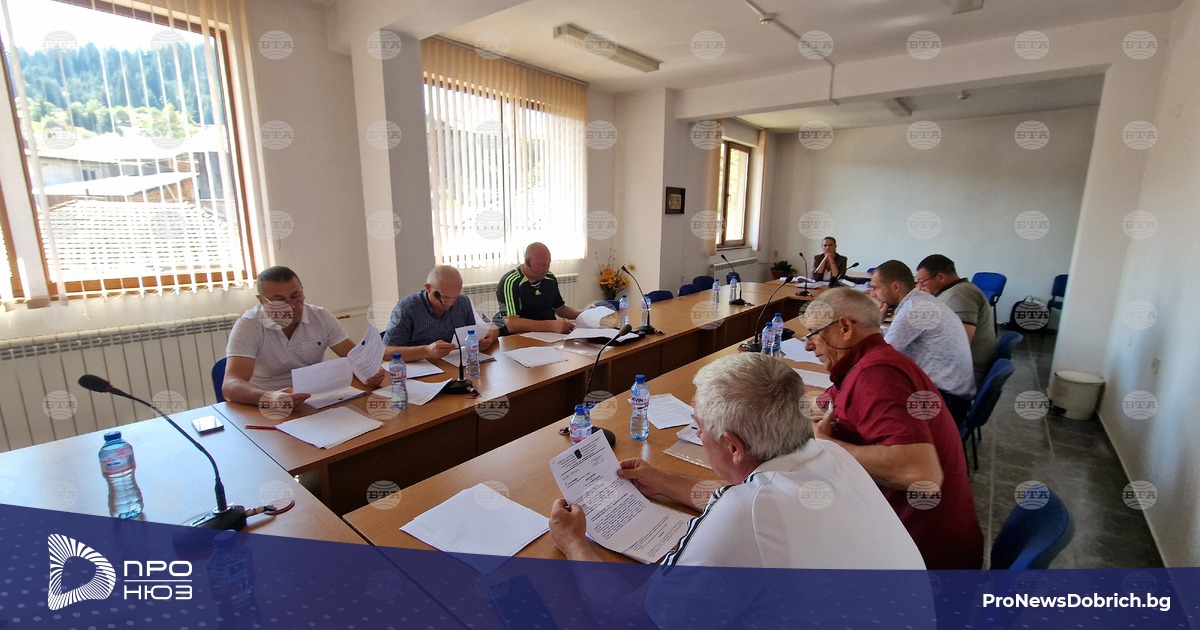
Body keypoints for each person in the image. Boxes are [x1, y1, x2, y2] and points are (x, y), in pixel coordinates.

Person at [548, 352, 925, 570]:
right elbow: (748, 497)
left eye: (699, 428)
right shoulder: (833, 454)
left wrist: (574, 543)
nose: (698, 436)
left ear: (733, 447)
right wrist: (664, 482)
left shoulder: (746, 512)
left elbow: (632, 618)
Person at [803, 288, 983, 570]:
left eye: (813, 334)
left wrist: (829, 445)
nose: (808, 346)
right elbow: (823, 404)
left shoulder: (876, 375)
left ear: (845, 328)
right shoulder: (871, 360)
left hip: (922, 559)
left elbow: (921, 474)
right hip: (916, 538)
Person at [223, 266, 384, 406]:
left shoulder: (320, 317)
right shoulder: (249, 325)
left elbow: (355, 357)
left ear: (303, 291)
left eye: (296, 296)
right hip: (269, 403)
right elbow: (230, 385)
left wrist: (371, 372)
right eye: (279, 301)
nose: (291, 306)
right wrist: (269, 397)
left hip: (314, 398)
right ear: (262, 301)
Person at [871, 259, 976, 424]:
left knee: (870, 399)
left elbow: (879, 357)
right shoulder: (921, 300)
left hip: (946, 401)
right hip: (951, 392)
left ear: (895, 287)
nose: (872, 294)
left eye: (875, 288)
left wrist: (874, 323)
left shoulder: (914, 310)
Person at [383, 265, 497, 361]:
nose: (450, 303)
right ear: (428, 288)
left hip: (454, 365)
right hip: (420, 368)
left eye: (455, 297)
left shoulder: (463, 302)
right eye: (444, 298)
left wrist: (488, 338)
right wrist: (426, 351)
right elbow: (386, 352)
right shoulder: (407, 307)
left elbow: (493, 327)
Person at [916, 254, 998, 386]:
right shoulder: (954, 290)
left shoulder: (960, 295)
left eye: (922, 281)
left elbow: (959, 346)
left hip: (966, 374)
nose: (919, 287)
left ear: (940, 277)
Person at [494, 242, 583, 335]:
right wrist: (551, 325)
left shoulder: (549, 278)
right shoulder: (511, 281)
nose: (546, 269)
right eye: (542, 265)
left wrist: (585, 314)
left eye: (548, 264)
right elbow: (511, 324)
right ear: (528, 262)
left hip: (549, 336)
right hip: (520, 337)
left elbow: (560, 309)